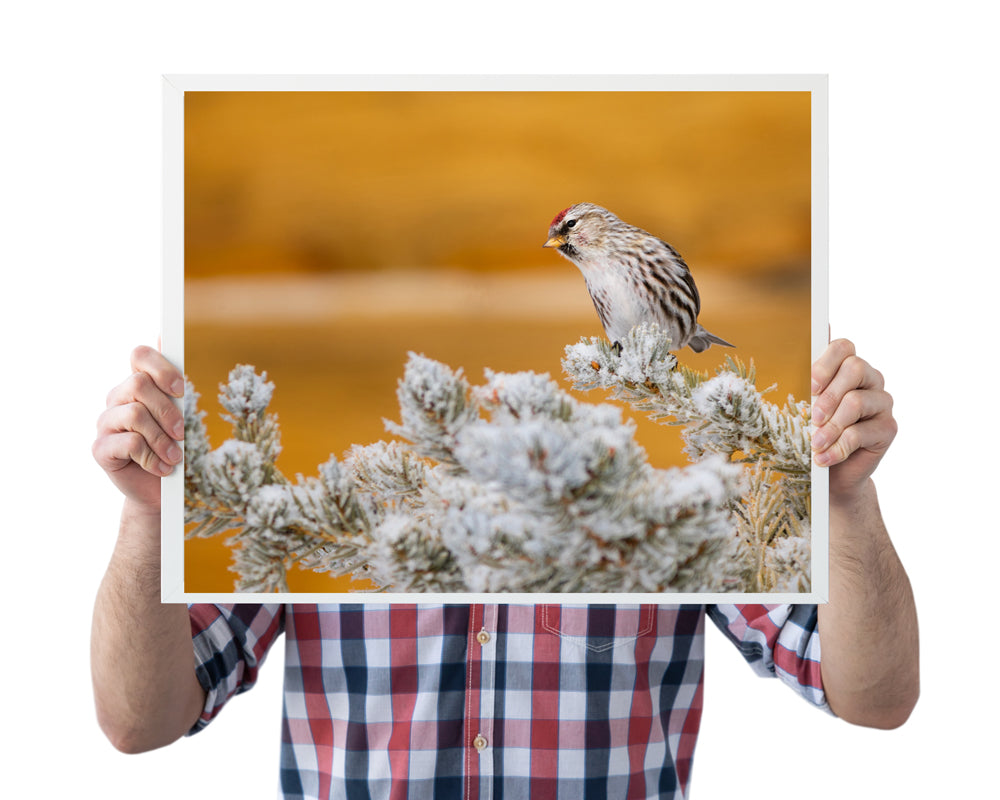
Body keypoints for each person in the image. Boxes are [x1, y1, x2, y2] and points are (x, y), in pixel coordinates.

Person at [91, 339, 918, 799]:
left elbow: (873, 696)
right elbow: (141, 719)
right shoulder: (318, 473)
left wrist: (846, 501)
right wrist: (147, 514)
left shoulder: (662, 465)